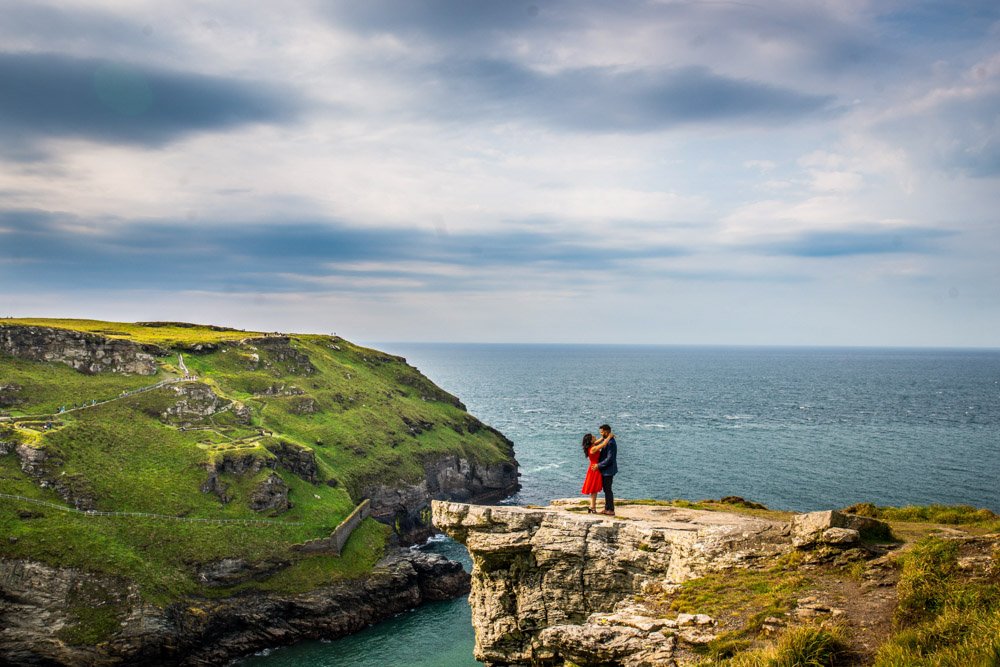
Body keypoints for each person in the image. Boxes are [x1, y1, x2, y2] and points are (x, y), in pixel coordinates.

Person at [595, 424, 618, 515]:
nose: (600, 434)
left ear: (606, 431)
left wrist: (598, 465)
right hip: (606, 470)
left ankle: (611, 510)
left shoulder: (611, 443)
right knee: (606, 489)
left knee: (608, 490)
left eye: (601, 432)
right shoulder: (607, 440)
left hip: (608, 470)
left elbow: (610, 458)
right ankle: (607, 508)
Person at [580, 433, 606, 513]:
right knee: (594, 489)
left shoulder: (592, 446)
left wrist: (604, 437)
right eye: (593, 437)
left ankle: (592, 507)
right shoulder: (593, 448)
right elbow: (604, 444)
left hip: (593, 468)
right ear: (591, 440)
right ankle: (592, 507)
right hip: (594, 469)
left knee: (594, 490)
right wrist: (609, 437)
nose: (595, 437)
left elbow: (600, 440)